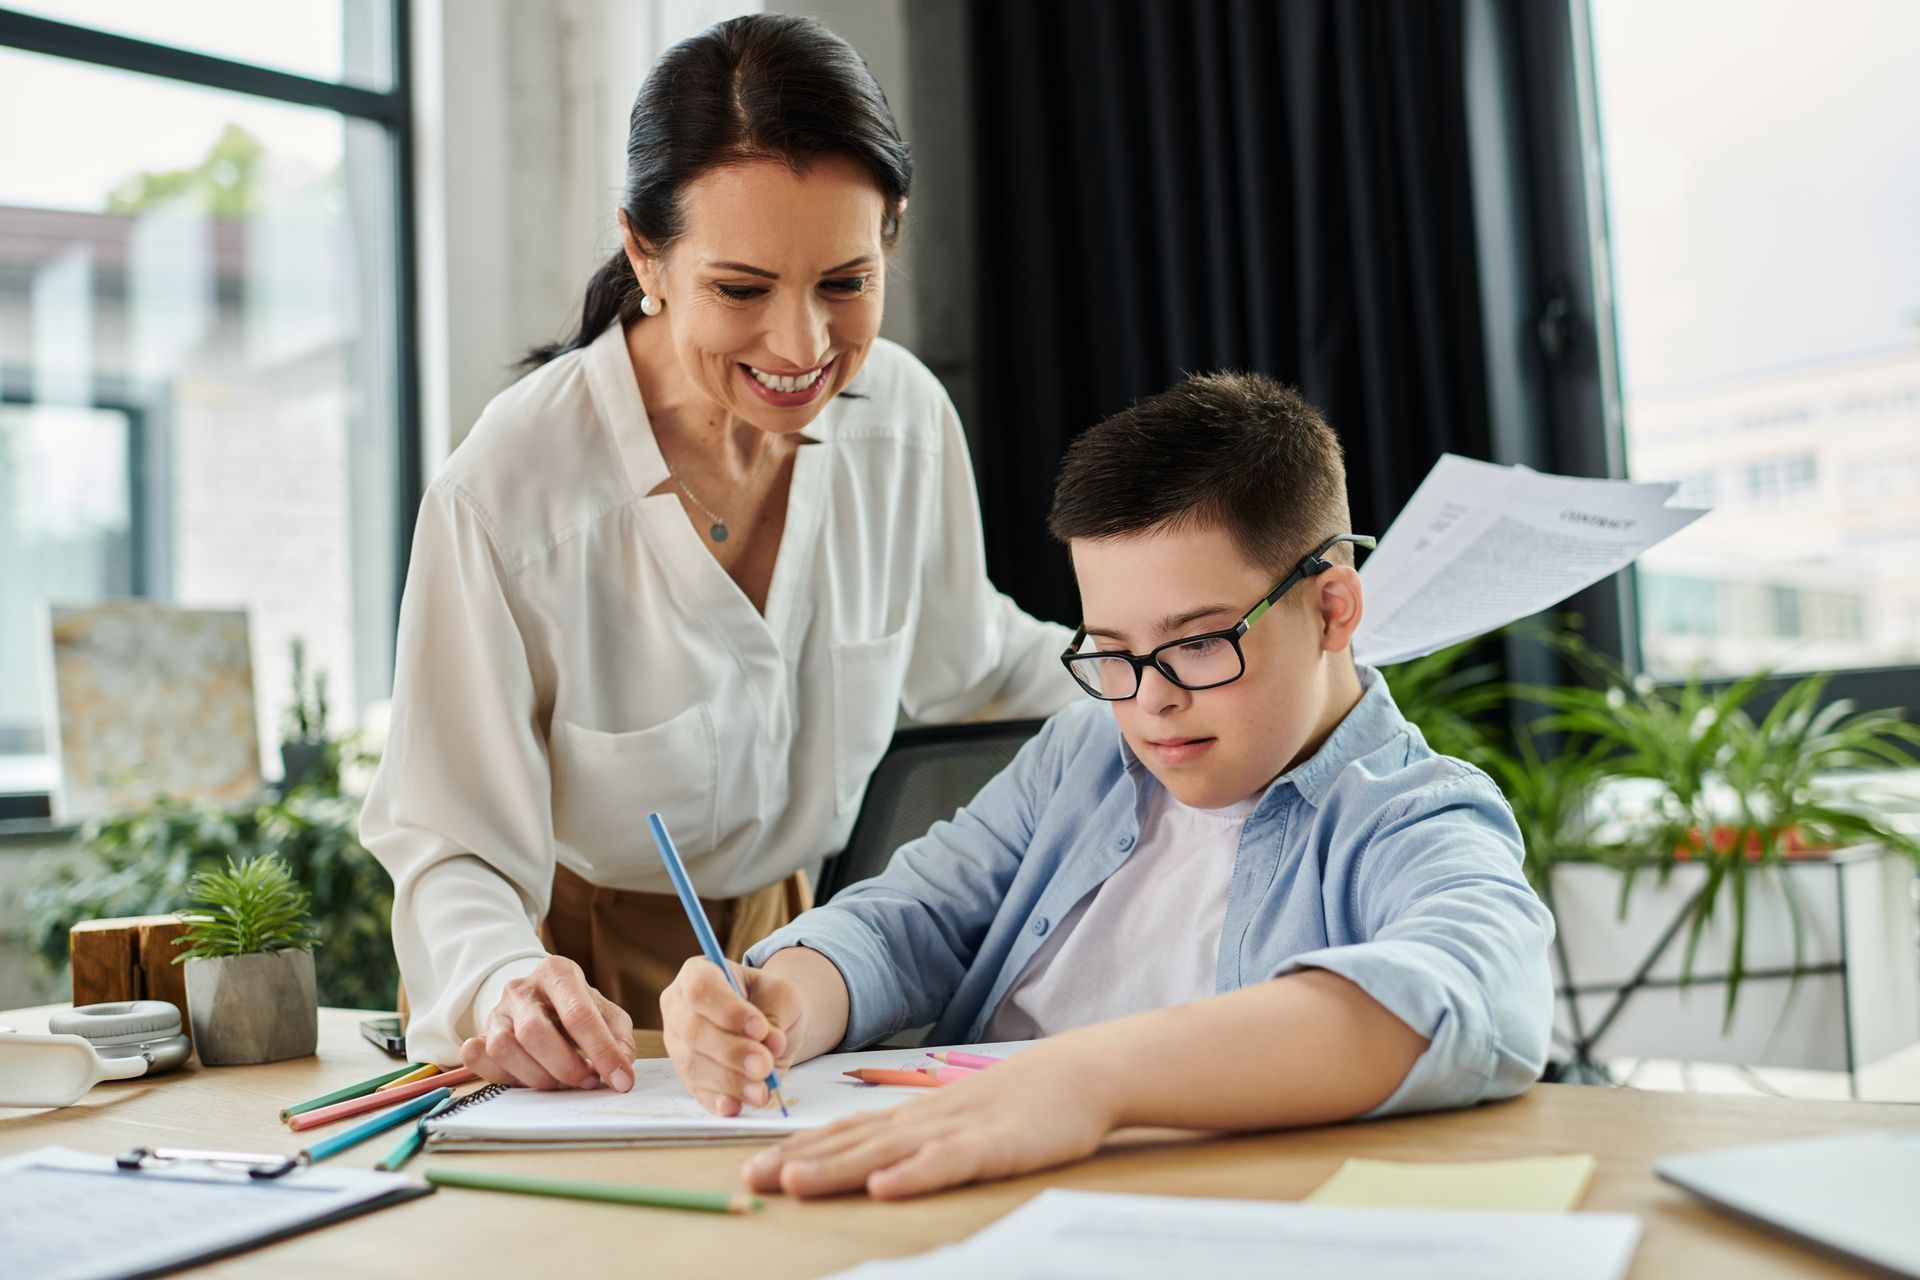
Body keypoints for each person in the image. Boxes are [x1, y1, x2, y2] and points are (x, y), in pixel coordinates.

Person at [361, 14, 1077, 1086]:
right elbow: (448, 837)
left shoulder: (905, 422)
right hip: (565, 975)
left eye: (846, 282)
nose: (801, 347)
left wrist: (1167, 665)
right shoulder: (510, 490)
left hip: (786, 952)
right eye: (741, 290)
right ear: (645, 253)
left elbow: (968, 658)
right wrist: (509, 982)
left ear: (889, 238)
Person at [658, 371, 1556, 1198]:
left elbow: (1475, 994)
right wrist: (784, 1003)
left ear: (1333, 608)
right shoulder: (1080, 756)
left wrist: (1092, 1078)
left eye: (1201, 643)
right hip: (962, 1199)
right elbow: (907, 922)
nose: (1153, 701)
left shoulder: (1410, 812)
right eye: (1113, 652)